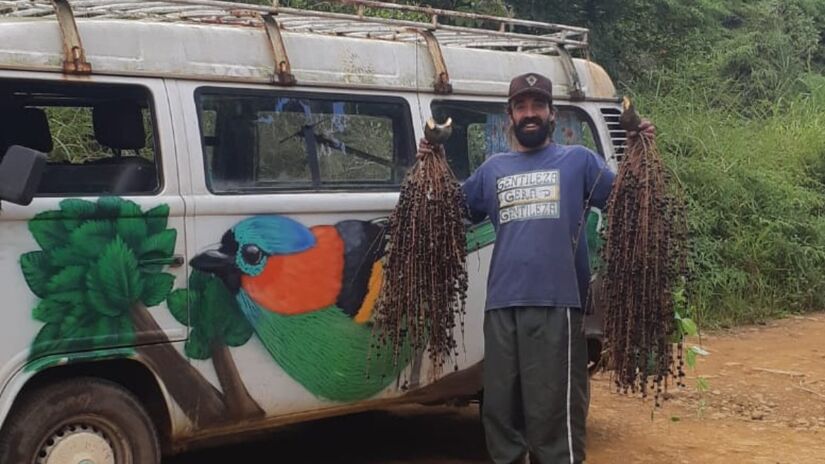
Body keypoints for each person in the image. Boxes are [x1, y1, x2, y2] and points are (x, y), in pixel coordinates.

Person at [457, 72, 653, 464]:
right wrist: (427, 158)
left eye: (538, 106)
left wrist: (638, 151)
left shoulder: (578, 160)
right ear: (510, 115)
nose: (530, 113)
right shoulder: (493, 169)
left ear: (552, 114)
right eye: (521, 106)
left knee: (554, 408)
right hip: (501, 305)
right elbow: (451, 209)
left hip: (558, 304)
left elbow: (627, 198)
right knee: (499, 407)